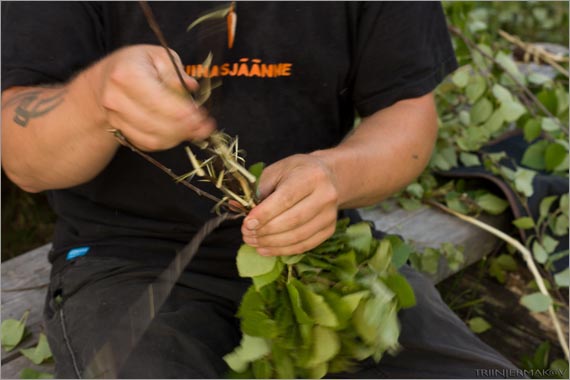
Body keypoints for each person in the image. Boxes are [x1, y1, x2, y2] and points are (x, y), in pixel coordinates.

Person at [2, 2, 519, 378]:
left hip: (317, 248)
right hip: (129, 259)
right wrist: (93, 103)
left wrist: (335, 174)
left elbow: (407, 114)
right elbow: (23, 159)